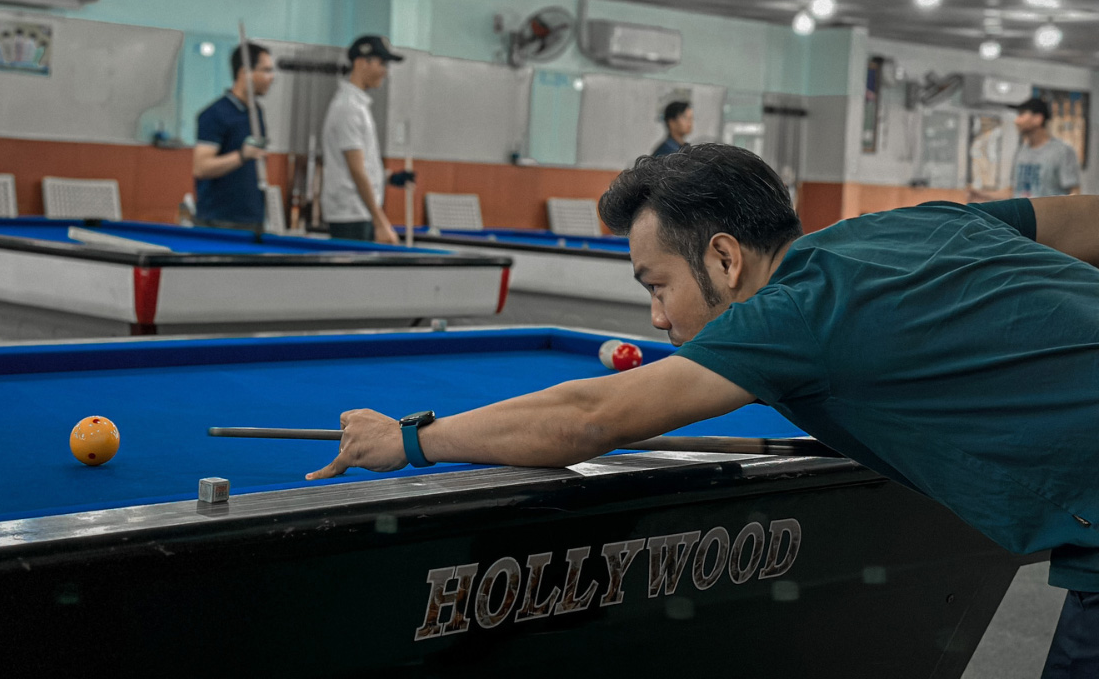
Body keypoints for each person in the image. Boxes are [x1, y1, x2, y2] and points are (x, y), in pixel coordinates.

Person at [311, 143, 1099, 678]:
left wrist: (414, 438)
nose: (656, 318)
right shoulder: (912, 225)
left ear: (725, 256)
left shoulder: (789, 314)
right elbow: (1080, 218)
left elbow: (591, 416)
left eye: (657, 286)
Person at [320, 35, 414, 243]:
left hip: (358, 211)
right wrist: (381, 222)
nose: (385, 72)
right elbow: (356, 170)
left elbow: (361, 166)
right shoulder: (348, 108)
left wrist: (389, 177)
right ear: (361, 62)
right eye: (382, 64)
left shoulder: (357, 106)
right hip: (351, 213)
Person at [191, 42, 276, 231]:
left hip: (253, 221)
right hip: (218, 223)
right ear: (244, 73)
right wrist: (242, 156)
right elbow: (201, 167)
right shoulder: (215, 114)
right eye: (266, 70)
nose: (272, 77)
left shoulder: (256, 113)